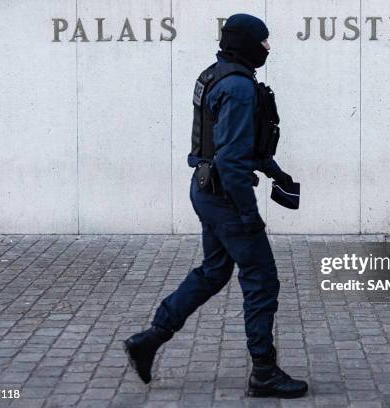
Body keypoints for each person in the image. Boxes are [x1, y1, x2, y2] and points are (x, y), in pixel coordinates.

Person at [123, 13, 308, 399]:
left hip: (206, 190)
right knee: (261, 278)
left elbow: (230, 145)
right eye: (264, 41)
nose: (268, 48)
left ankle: (150, 339)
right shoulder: (239, 87)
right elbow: (231, 159)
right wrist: (250, 216)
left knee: (214, 271)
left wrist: (277, 174)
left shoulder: (216, 75)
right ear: (247, 43)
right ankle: (264, 371)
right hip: (226, 196)